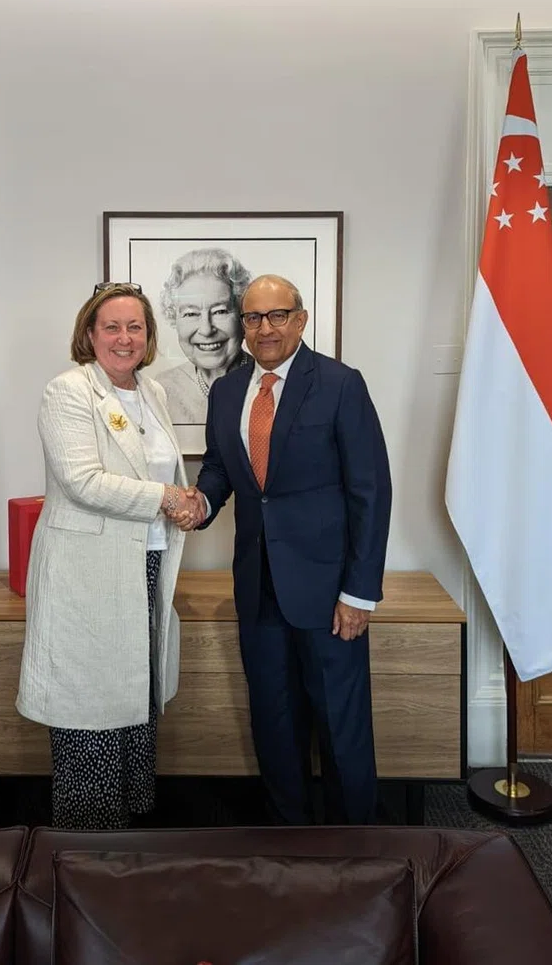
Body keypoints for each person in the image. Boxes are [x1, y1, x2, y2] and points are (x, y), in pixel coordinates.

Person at [184, 274, 391, 826]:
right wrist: (202, 504)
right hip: (258, 589)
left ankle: (357, 850)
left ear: (300, 319)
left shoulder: (341, 384)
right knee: (274, 723)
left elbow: (370, 491)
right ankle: (290, 841)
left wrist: (359, 592)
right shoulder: (228, 390)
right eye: (253, 317)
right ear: (242, 326)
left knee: (340, 726)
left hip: (328, 595)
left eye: (277, 315)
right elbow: (220, 467)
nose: (265, 328)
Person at [16, 282, 201, 830]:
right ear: (89, 334)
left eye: (136, 327)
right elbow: (82, 481)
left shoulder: (153, 393)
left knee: (136, 688)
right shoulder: (69, 391)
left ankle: (134, 820)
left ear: (149, 336)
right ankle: (87, 837)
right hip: (86, 571)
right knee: (89, 697)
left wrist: (186, 499)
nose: (125, 338)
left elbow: (159, 469)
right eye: (112, 327)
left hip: (146, 560)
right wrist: (169, 500)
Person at [158, 248, 253, 424]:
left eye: (220, 311)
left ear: (243, 315)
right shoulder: (160, 391)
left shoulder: (269, 383)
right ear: (174, 318)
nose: (206, 330)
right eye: (191, 314)